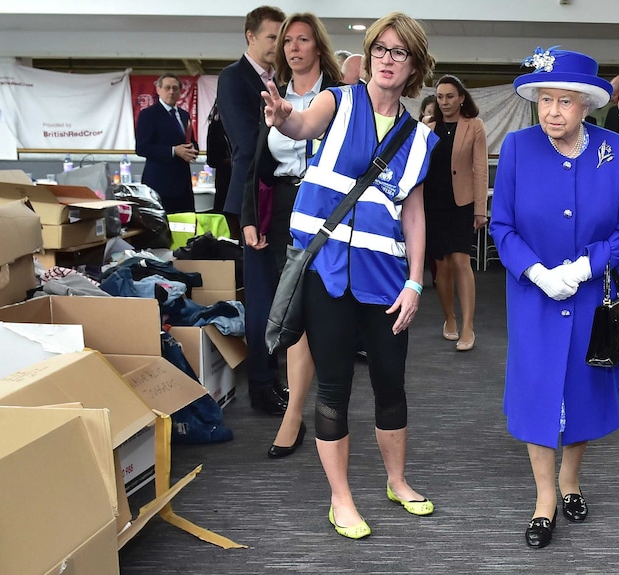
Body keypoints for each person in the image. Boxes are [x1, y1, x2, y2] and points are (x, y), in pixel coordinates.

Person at [262, 11, 439, 539]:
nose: (387, 59)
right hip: (327, 272)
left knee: (391, 384)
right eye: (380, 49)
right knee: (334, 385)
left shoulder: (420, 137)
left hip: (385, 280)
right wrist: (281, 117)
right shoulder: (337, 101)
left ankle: (397, 480)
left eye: (399, 52)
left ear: (414, 65)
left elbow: (414, 212)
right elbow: (302, 124)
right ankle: (341, 498)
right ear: (368, 56)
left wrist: (414, 282)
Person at [488, 47, 619, 549]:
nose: (553, 111)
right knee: (537, 392)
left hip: (592, 294)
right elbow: (502, 225)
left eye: (566, 102)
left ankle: (571, 481)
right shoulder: (516, 147)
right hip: (533, 296)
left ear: (588, 106)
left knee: (581, 388)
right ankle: (543, 500)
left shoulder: (615, 150)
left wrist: (584, 266)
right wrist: (535, 271)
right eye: (545, 99)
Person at [240, 12, 342, 453]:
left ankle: (317, 404)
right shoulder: (274, 95)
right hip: (282, 208)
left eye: (303, 40)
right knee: (293, 310)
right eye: (287, 42)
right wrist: (248, 214)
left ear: (318, 46)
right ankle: (296, 411)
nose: (294, 48)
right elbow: (254, 160)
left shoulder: (342, 98)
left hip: (329, 209)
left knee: (323, 308)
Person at [424, 75, 488, 351]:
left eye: (450, 96)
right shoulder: (428, 127)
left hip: (461, 203)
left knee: (462, 260)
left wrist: (480, 210)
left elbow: (481, 168)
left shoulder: (474, 126)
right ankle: (449, 318)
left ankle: (467, 326)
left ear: (462, 98)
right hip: (433, 203)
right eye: (440, 97)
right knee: (443, 266)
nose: (445, 101)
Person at [217, 5, 286, 241]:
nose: (278, 46)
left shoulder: (281, 80)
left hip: (278, 190)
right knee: (256, 274)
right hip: (251, 190)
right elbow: (246, 141)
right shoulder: (232, 77)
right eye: (271, 38)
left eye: (282, 39)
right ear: (251, 36)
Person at [135, 74, 198, 214]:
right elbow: (142, 148)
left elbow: (191, 142)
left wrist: (193, 150)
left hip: (183, 186)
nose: (171, 91)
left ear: (180, 92)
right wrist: (173, 151)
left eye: (175, 88)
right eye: (167, 88)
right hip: (159, 184)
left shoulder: (184, 115)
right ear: (158, 90)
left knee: (186, 227)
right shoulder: (149, 115)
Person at [205, 102, 231, 216]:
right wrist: (230, 161)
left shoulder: (247, 124)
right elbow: (212, 159)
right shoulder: (217, 127)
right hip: (225, 180)